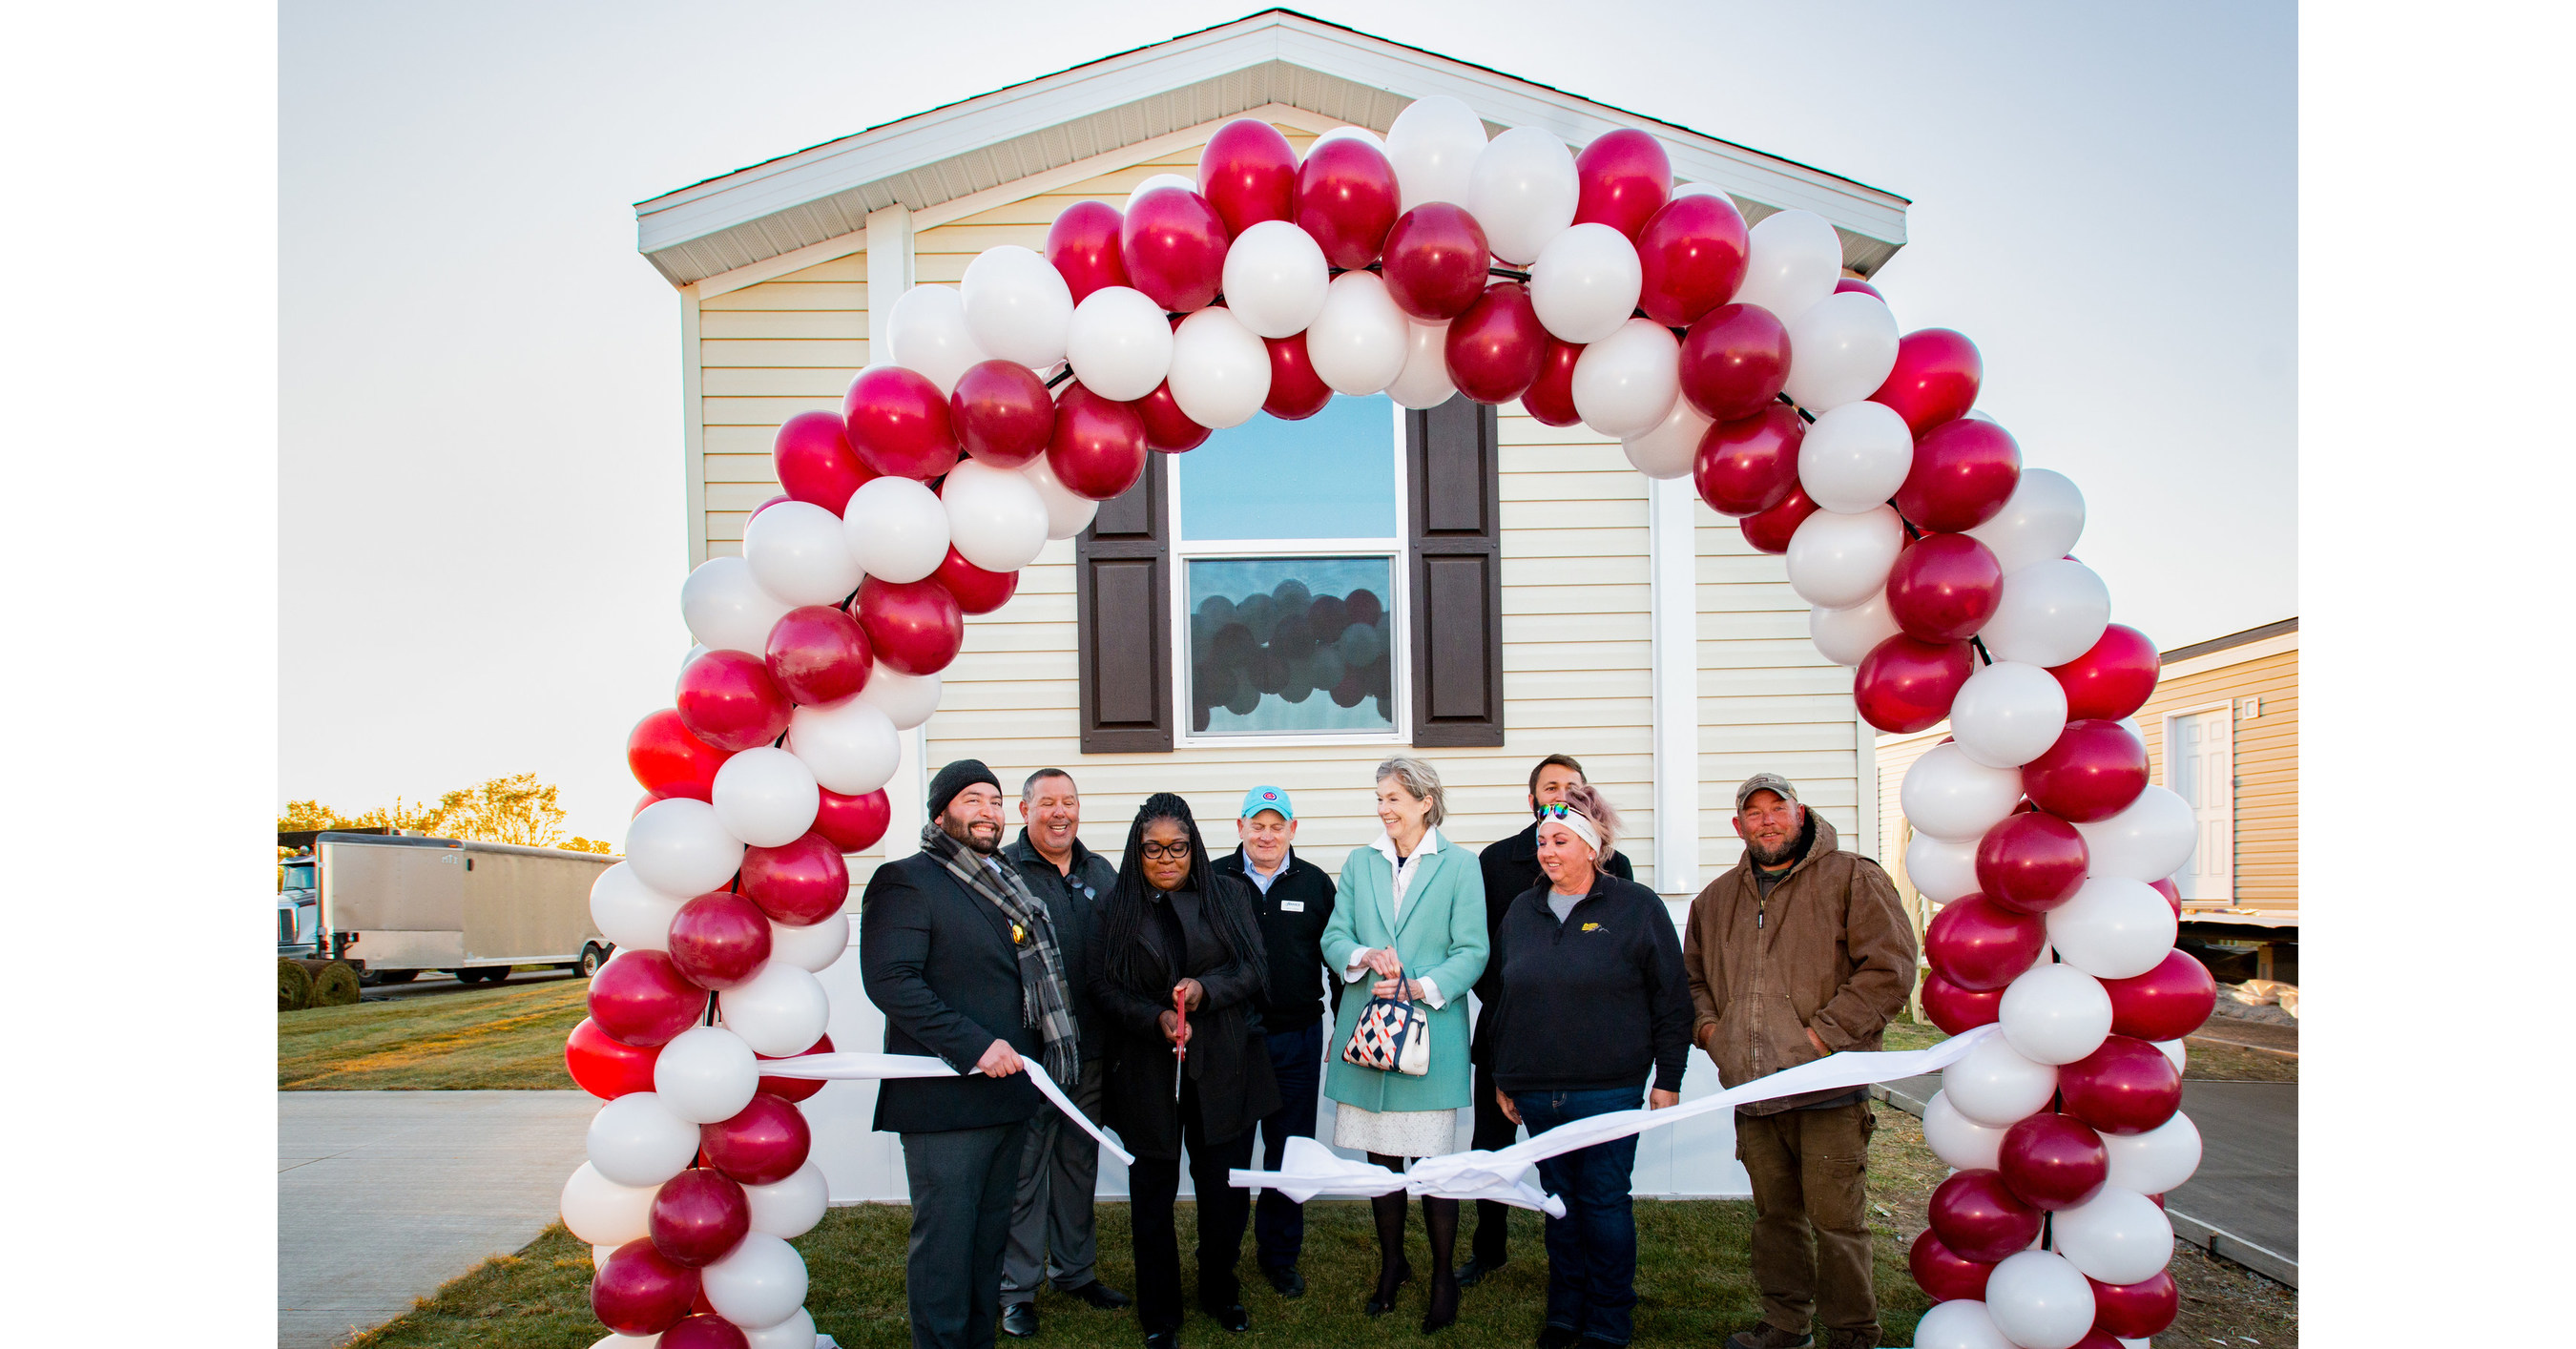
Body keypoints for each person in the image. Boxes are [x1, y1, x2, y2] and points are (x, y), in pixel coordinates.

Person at [1685, 775, 1918, 1349]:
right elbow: (1692, 982)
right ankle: (1787, 1326)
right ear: (1737, 826)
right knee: (1776, 1220)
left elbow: (1889, 969)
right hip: (1753, 1093)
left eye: (1777, 809)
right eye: (1754, 813)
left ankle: (1853, 1334)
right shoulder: (1714, 900)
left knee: (1838, 1223)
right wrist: (1715, 1033)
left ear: (1800, 813)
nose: (1767, 821)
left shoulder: (1852, 878)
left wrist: (1822, 1039)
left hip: (1829, 1090)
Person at [862, 759, 1085, 1349]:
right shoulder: (906, 879)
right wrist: (975, 1046)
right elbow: (892, 981)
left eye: (993, 800)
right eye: (971, 800)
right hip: (946, 1106)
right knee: (946, 1248)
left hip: (1009, 1100)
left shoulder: (1005, 884)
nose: (986, 811)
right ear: (941, 814)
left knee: (988, 1247)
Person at [1484, 784, 1691, 1349]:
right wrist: (1504, 1074)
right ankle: (1564, 1314)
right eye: (1542, 841)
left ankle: (1607, 1320)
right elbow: (1505, 997)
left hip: (1607, 1090)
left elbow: (1671, 999)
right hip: (1536, 1091)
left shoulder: (1636, 906)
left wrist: (1668, 1079)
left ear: (1592, 845)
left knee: (1602, 1203)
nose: (1547, 851)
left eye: (1561, 840)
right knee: (1560, 1205)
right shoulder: (1523, 910)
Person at [1091, 794, 1282, 1349]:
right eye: (1154, 849)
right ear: (1137, 850)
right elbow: (1102, 987)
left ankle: (1220, 1287)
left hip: (1223, 1062)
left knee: (1222, 1190)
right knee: (1152, 1192)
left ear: (1194, 846)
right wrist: (1156, 1019)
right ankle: (1159, 1310)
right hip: (1148, 1071)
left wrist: (1203, 992)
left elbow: (1253, 969)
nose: (1167, 858)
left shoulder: (1229, 895)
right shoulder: (1115, 906)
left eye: (1177, 847)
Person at [1319, 756, 1489, 1334]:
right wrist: (1363, 956)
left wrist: (1419, 985)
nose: (1384, 808)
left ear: (1425, 802)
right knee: (1382, 1164)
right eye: (1380, 797)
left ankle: (1443, 1275)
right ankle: (1394, 1265)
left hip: (1430, 1041)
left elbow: (1473, 951)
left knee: (1436, 1168)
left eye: (1394, 798)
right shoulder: (1359, 862)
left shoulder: (1461, 866)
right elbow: (1333, 935)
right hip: (1369, 1038)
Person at [1464, 754, 1635, 1287]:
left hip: (1580, 1046)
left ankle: (1582, 1262)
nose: (1559, 792)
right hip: (1505, 1030)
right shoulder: (1494, 861)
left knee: (1575, 1163)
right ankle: (1488, 1248)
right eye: (1549, 786)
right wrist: (1518, 1002)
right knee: (1491, 1146)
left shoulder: (1616, 864)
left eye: (1572, 786)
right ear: (1532, 798)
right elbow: (1483, 949)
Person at [997, 769, 1132, 1335]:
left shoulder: (1101, 871)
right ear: (1025, 809)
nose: (1060, 812)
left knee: (1078, 1164)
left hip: (1093, 1051)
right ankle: (1017, 1291)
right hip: (1031, 1058)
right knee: (1025, 1172)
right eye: (1047, 802)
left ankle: (1074, 1272)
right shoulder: (1001, 871)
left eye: (1069, 802)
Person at [1210, 785, 1338, 1298]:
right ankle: (1223, 1256)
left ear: (1292, 830)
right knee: (1232, 1156)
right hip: (1230, 1042)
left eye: (1276, 825)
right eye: (1256, 824)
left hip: (1297, 1041)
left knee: (1289, 1154)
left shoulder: (1315, 884)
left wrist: (1343, 1027)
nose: (1266, 834)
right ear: (1240, 827)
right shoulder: (1213, 878)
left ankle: (1280, 1255)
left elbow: (1336, 961)